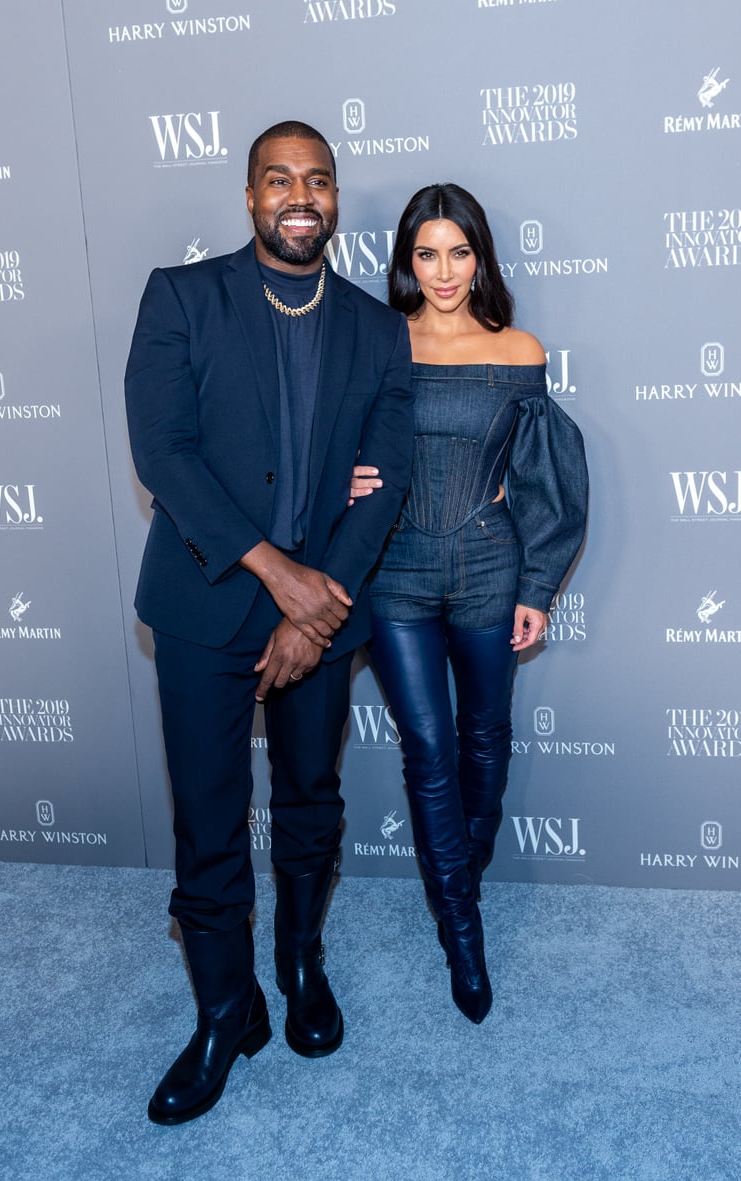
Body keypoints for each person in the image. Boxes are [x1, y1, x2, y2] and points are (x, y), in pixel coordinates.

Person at [125, 121, 414, 1125]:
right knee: (206, 817)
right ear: (250, 196)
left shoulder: (380, 331)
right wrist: (275, 573)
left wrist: (317, 596)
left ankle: (299, 964)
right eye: (279, 178)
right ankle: (223, 1010)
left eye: (319, 180)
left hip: (326, 606)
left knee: (309, 798)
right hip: (207, 598)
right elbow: (166, 452)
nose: (301, 194)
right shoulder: (181, 298)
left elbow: (387, 479)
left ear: (336, 200)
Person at [351, 183, 588, 1025]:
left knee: (486, 735)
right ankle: (463, 930)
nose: (444, 271)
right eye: (427, 253)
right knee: (427, 747)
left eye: (459, 252)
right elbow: (325, 435)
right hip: (395, 571)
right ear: (406, 262)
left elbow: (543, 479)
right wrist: (341, 475)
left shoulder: (520, 349)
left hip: (490, 565)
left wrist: (537, 587)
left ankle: (464, 873)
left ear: (479, 257)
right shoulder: (376, 343)